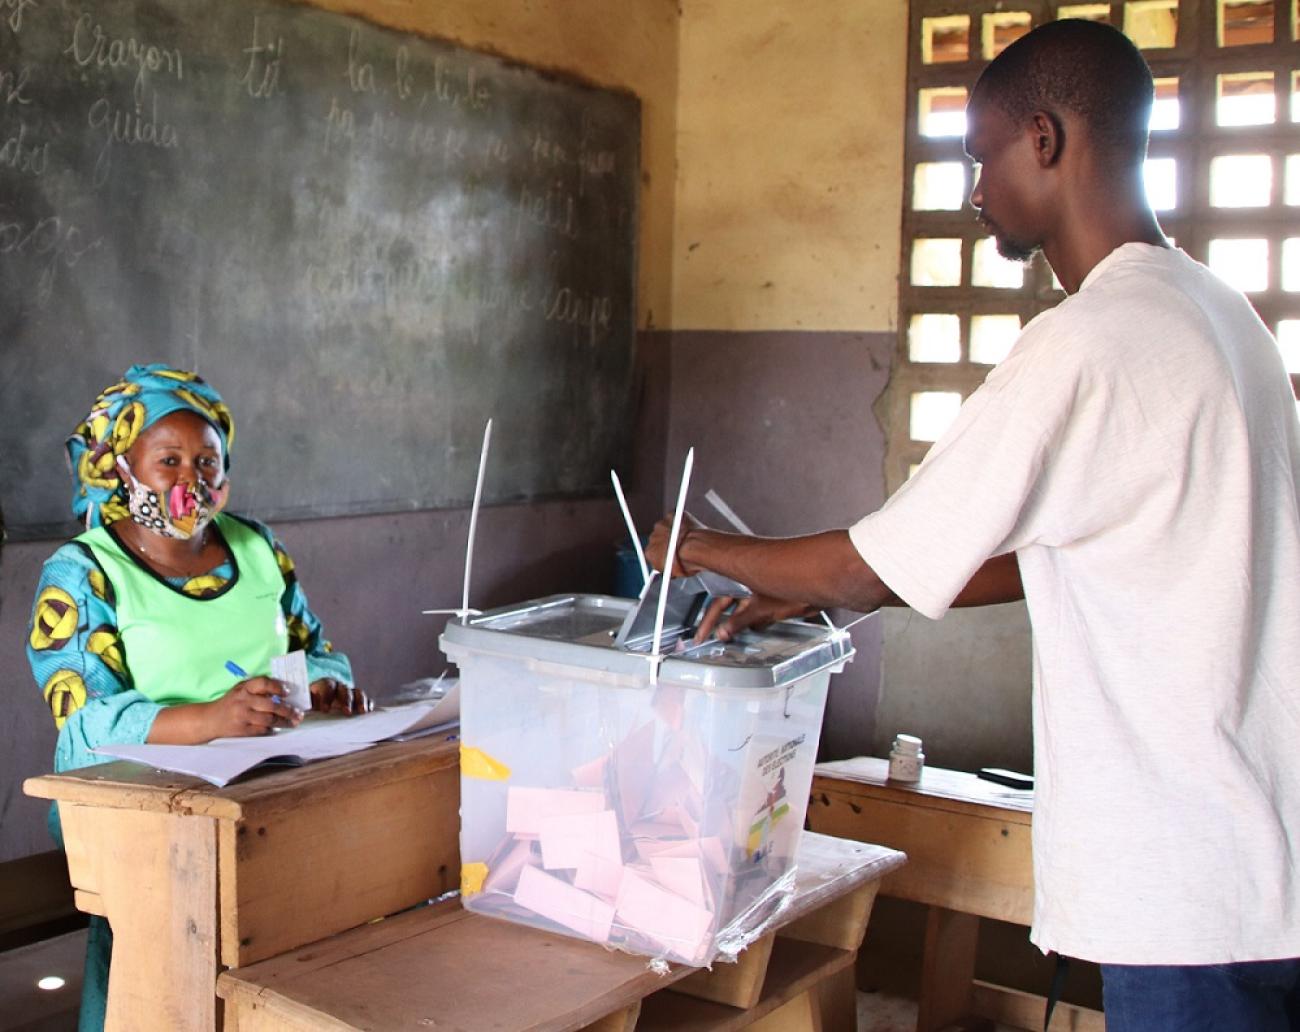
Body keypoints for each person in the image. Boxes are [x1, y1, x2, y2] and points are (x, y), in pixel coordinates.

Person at [647, 19, 1300, 1031]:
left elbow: (868, 565)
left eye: (980, 156)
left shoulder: (1084, 340)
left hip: (1184, 890)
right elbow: (1092, 546)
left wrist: (694, 546)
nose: (974, 190)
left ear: (1043, 139)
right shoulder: (1220, 314)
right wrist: (793, 589)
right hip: (1267, 863)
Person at [27, 364, 369, 1031]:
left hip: (266, 792)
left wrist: (324, 683)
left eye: (207, 460)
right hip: (147, 813)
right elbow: (85, 720)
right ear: (119, 468)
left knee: (271, 961)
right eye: (169, 460)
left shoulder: (258, 545)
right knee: (156, 983)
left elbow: (311, 646)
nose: (193, 480)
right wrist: (209, 720)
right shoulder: (84, 570)